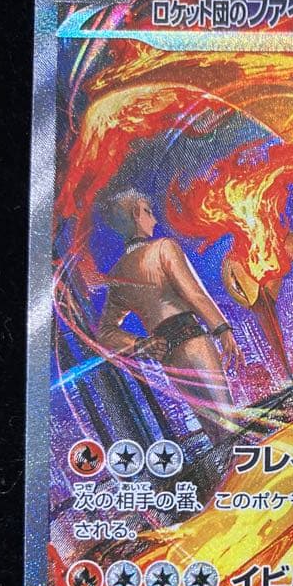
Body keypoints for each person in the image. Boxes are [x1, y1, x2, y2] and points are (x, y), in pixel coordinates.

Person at [97, 189, 243, 446]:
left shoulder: (117, 275)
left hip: (167, 357)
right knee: (229, 426)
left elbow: (105, 332)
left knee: (215, 433)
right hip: (193, 341)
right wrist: (222, 329)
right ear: (136, 214)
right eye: (148, 212)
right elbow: (194, 294)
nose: (154, 220)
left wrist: (139, 344)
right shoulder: (164, 247)